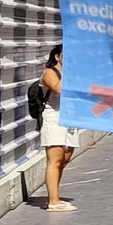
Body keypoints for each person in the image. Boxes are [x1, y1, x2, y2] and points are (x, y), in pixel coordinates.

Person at [37, 45, 77, 211]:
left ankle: (54, 197)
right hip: (53, 118)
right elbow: (59, 88)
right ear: (57, 57)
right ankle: (53, 201)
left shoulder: (73, 74)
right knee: (55, 159)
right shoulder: (49, 73)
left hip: (69, 119)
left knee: (64, 159)